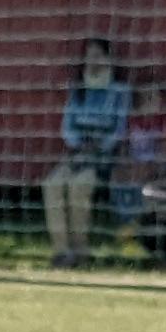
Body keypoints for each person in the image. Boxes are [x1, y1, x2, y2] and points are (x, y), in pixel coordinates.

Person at [43, 35, 130, 265]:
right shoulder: (77, 89)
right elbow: (67, 127)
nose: (93, 61)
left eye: (98, 55)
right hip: (76, 154)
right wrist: (77, 144)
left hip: (102, 158)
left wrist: (99, 145)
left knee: (79, 187)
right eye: (89, 56)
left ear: (108, 59)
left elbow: (119, 130)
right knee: (51, 184)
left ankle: (80, 250)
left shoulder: (119, 91)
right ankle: (62, 251)